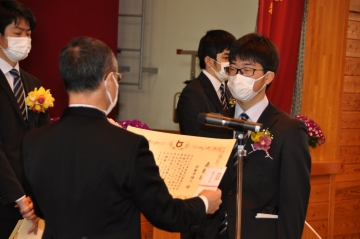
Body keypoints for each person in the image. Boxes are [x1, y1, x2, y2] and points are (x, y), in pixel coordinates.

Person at [22, 36, 222, 238]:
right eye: (117, 78)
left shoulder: (34, 141)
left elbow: (40, 208)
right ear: (108, 80)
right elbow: (166, 214)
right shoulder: (128, 145)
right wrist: (204, 203)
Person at [218, 33, 311, 239]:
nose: (237, 76)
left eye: (248, 70)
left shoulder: (289, 131)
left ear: (268, 77)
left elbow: (293, 205)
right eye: (233, 68)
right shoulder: (216, 123)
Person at [0, 0, 50, 237]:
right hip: (4, 195)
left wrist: (39, 193)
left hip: (32, 199)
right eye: (17, 33)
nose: (25, 40)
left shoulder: (33, 84)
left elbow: (43, 140)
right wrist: (18, 196)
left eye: (28, 34)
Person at [177, 29, 236, 138]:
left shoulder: (227, 89)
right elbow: (193, 136)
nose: (231, 63)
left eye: (232, 58)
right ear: (209, 61)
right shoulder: (192, 93)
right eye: (226, 57)